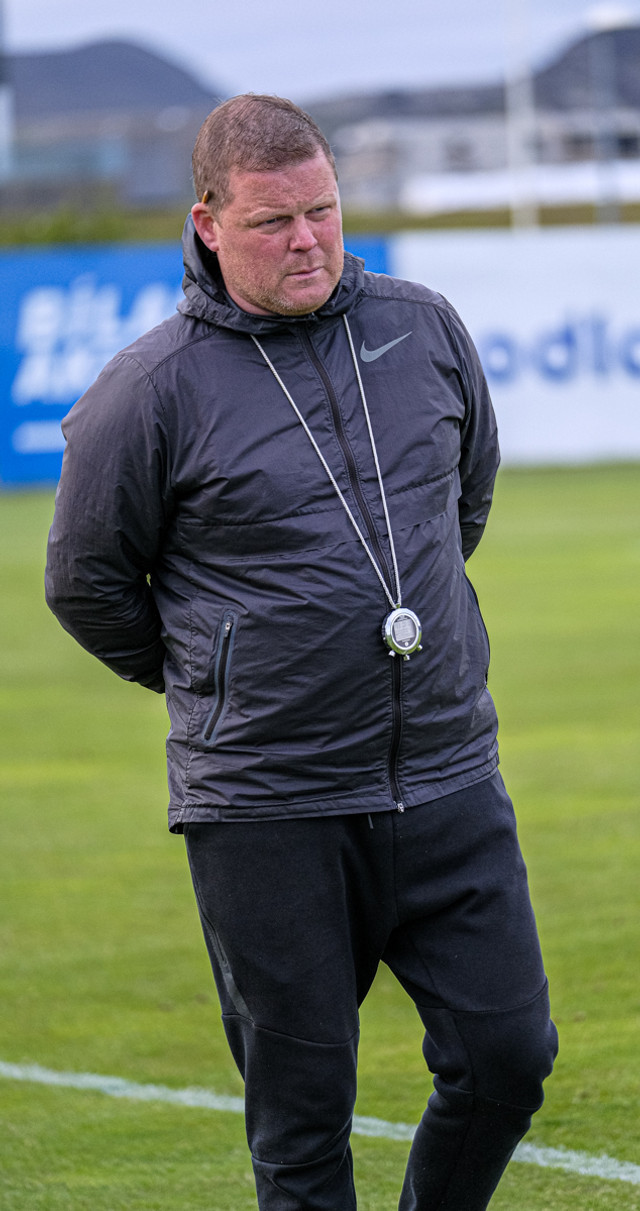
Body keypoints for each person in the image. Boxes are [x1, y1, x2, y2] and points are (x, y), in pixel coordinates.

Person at [45, 93, 558, 1211]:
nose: (308, 240)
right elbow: (84, 581)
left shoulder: (425, 328)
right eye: (273, 221)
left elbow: (461, 501)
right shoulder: (149, 389)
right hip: (267, 805)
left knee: (509, 1057)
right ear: (207, 222)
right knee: (303, 1123)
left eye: (322, 210)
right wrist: (217, 672)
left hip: (447, 774)